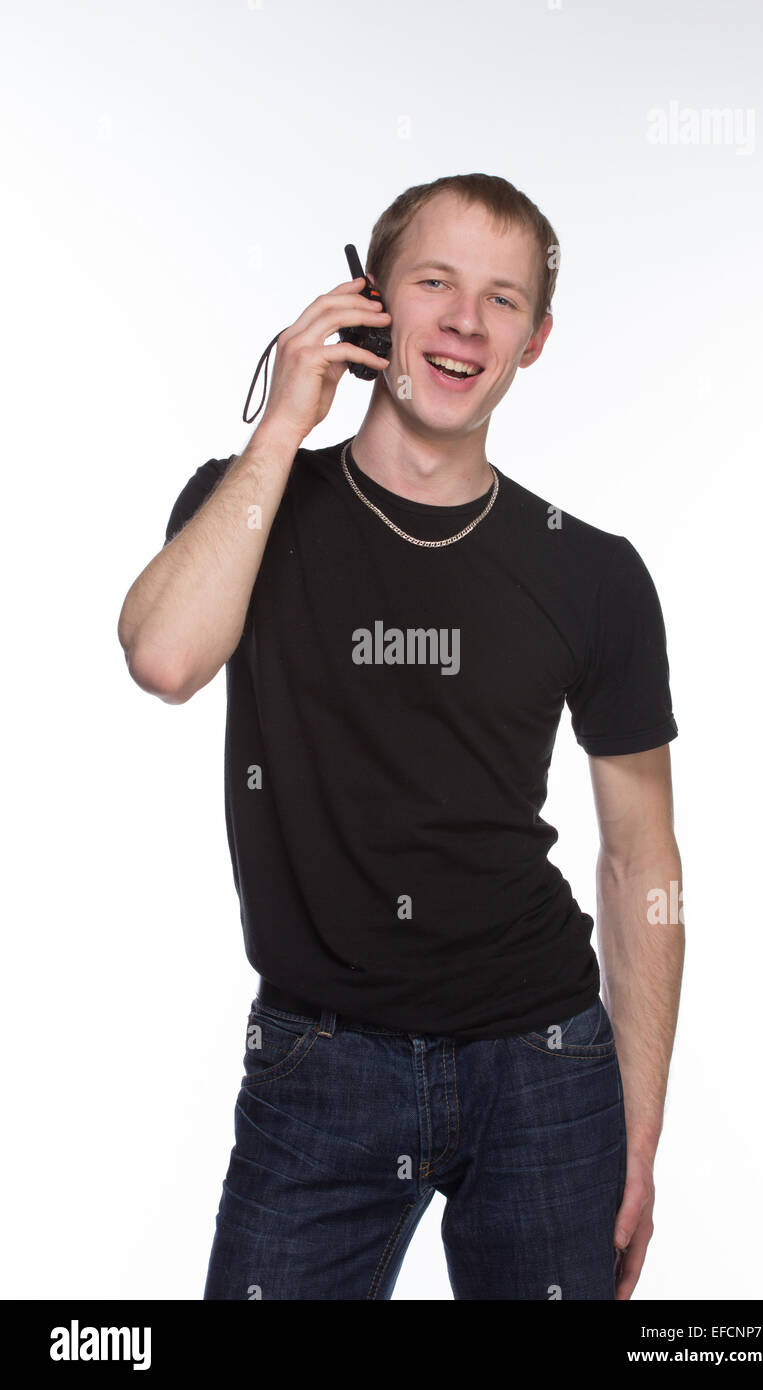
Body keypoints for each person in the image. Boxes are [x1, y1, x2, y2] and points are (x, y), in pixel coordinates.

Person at [117, 173, 683, 1301]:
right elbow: (165, 658)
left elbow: (640, 861)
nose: (465, 322)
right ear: (370, 301)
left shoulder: (594, 572)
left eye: (502, 299)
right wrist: (285, 416)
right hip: (320, 1064)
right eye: (434, 283)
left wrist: (637, 1130)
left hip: (543, 1064)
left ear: (534, 339)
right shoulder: (249, 505)